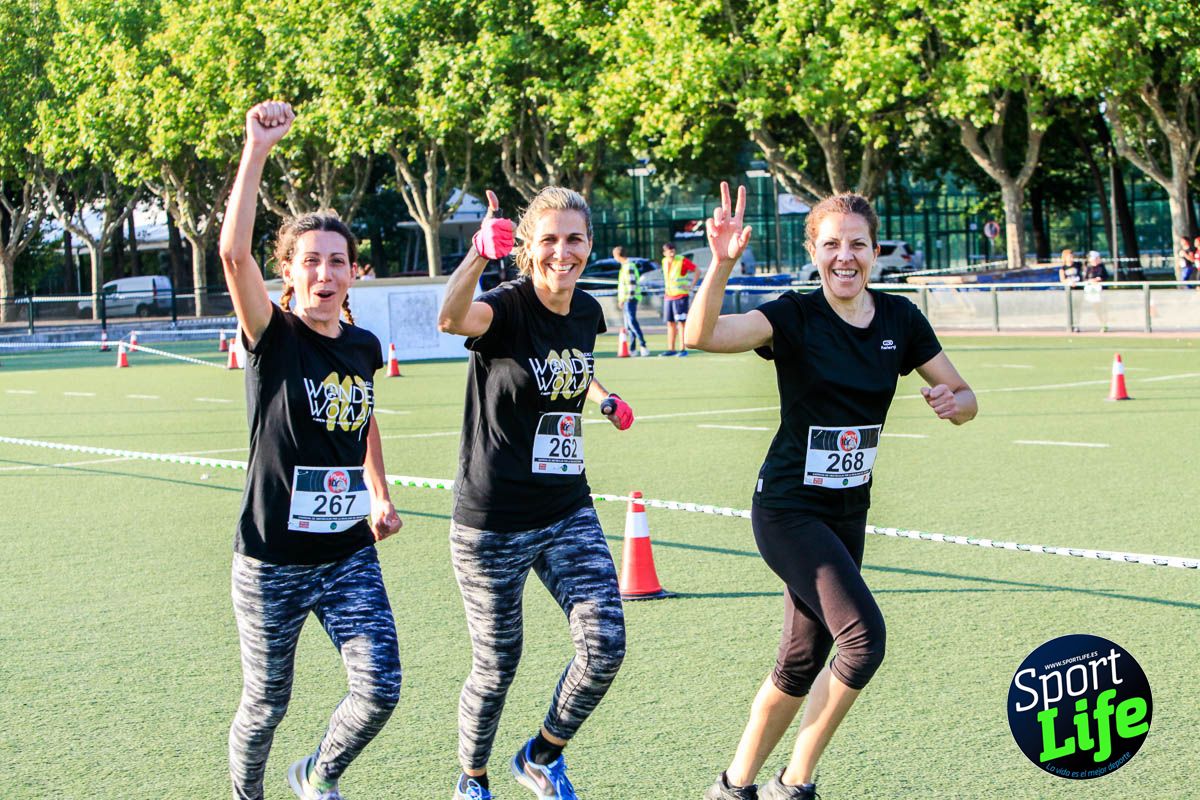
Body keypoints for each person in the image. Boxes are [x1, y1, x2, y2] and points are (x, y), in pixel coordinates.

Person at [686, 184, 977, 800]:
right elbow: (701, 336)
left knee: (800, 658)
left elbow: (966, 397)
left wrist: (955, 403)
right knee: (862, 638)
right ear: (813, 251)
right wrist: (721, 264)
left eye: (857, 245)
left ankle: (732, 788)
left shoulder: (900, 318)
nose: (845, 257)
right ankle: (794, 784)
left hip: (848, 510)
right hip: (789, 508)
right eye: (831, 245)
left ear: (875, 253)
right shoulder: (794, 315)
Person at [218, 101, 404, 800]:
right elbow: (233, 255)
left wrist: (379, 492)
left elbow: (363, 418)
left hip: (347, 551)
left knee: (380, 687)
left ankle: (317, 773)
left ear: (352, 272)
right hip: (271, 557)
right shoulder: (274, 338)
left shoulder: (361, 346)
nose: (325, 273)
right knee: (266, 704)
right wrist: (256, 149)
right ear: (289, 273)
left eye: (337, 262)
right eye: (310, 262)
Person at [437, 186, 636, 800]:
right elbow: (450, 318)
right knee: (497, 667)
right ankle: (472, 778)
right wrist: (474, 257)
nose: (562, 251)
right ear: (527, 248)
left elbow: (568, 361)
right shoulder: (504, 307)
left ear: (589, 245)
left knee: (605, 644)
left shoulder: (588, 312)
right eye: (548, 239)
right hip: (492, 520)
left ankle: (542, 755)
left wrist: (601, 397)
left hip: (565, 508)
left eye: (573, 238)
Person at [659, 241, 699, 356]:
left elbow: (697, 270)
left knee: (681, 323)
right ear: (664, 253)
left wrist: (691, 286)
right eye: (669, 250)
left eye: (673, 250)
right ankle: (671, 349)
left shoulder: (682, 260)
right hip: (668, 296)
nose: (672, 252)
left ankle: (683, 349)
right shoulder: (664, 261)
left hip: (681, 296)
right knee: (670, 323)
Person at [614, 246, 650, 356]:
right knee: (628, 325)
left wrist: (625, 299)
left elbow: (631, 285)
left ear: (618, 256)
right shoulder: (625, 266)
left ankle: (643, 345)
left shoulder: (628, 266)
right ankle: (633, 348)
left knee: (632, 323)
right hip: (627, 299)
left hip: (630, 299)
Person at [1083, 250, 1109, 331]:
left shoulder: (1101, 267)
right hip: (1091, 293)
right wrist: (1090, 281)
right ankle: (1100, 323)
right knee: (1095, 308)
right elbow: (1086, 278)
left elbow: (1103, 277)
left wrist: (1097, 279)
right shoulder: (1088, 268)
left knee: (1102, 308)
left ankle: (1104, 324)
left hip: (1100, 292)